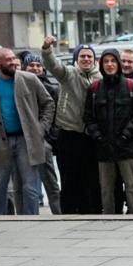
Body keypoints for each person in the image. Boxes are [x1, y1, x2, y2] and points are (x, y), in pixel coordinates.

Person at [0, 48, 54, 216]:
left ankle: (31, 219)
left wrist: (41, 128)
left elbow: (48, 103)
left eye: (14, 59)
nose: (13, 62)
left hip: (26, 140)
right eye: (8, 60)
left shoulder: (29, 79)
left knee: (29, 186)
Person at [41, 36, 102, 214]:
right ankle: (68, 211)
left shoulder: (99, 77)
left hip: (90, 135)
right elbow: (53, 65)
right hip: (69, 133)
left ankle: (89, 210)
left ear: (94, 60)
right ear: (76, 59)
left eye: (89, 56)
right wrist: (47, 49)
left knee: (90, 176)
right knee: (69, 176)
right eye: (82, 56)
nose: (86, 59)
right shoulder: (68, 74)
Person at [84, 49, 133, 214]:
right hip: (103, 146)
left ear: (118, 63)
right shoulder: (95, 88)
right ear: (101, 65)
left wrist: (126, 134)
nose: (110, 65)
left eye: (113, 61)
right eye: (106, 61)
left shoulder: (132, 86)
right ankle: (109, 217)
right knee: (106, 188)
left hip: (126, 145)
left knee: (131, 186)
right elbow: (88, 117)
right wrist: (97, 136)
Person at [23, 54, 62, 215]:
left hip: (44, 140)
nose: (35, 68)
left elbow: (56, 116)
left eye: (38, 65)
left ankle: (58, 212)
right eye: (31, 65)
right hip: (24, 140)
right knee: (26, 181)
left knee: (50, 181)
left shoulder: (50, 88)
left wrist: (49, 138)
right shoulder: (19, 86)